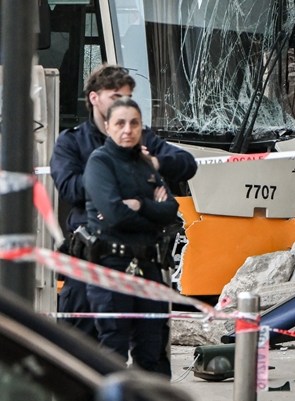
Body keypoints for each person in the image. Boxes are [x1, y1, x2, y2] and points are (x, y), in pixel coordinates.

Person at [50, 64, 197, 342]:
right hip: (93, 260)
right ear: (94, 98)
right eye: (116, 97)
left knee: (150, 349)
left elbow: (186, 164)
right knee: (82, 347)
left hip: (142, 258)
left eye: (128, 97)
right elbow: (70, 191)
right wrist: (117, 179)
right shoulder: (72, 142)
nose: (124, 104)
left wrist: (154, 163)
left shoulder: (142, 137)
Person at [83, 96, 180, 374]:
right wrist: (152, 213)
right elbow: (115, 214)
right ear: (108, 126)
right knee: (113, 352)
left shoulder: (145, 164)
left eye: (134, 123)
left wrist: (139, 205)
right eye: (120, 123)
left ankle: (151, 399)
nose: (128, 130)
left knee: (152, 351)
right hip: (112, 267)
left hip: (148, 266)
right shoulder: (100, 163)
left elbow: (172, 210)